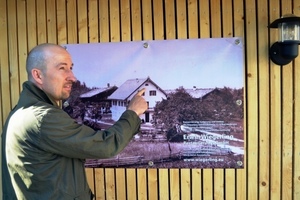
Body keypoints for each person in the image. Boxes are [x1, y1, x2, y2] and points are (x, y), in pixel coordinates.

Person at [1, 43, 148, 199]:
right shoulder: (43, 117)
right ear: (38, 75)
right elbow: (106, 146)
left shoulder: (21, 113)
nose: (73, 77)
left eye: (71, 68)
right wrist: (133, 112)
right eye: (62, 68)